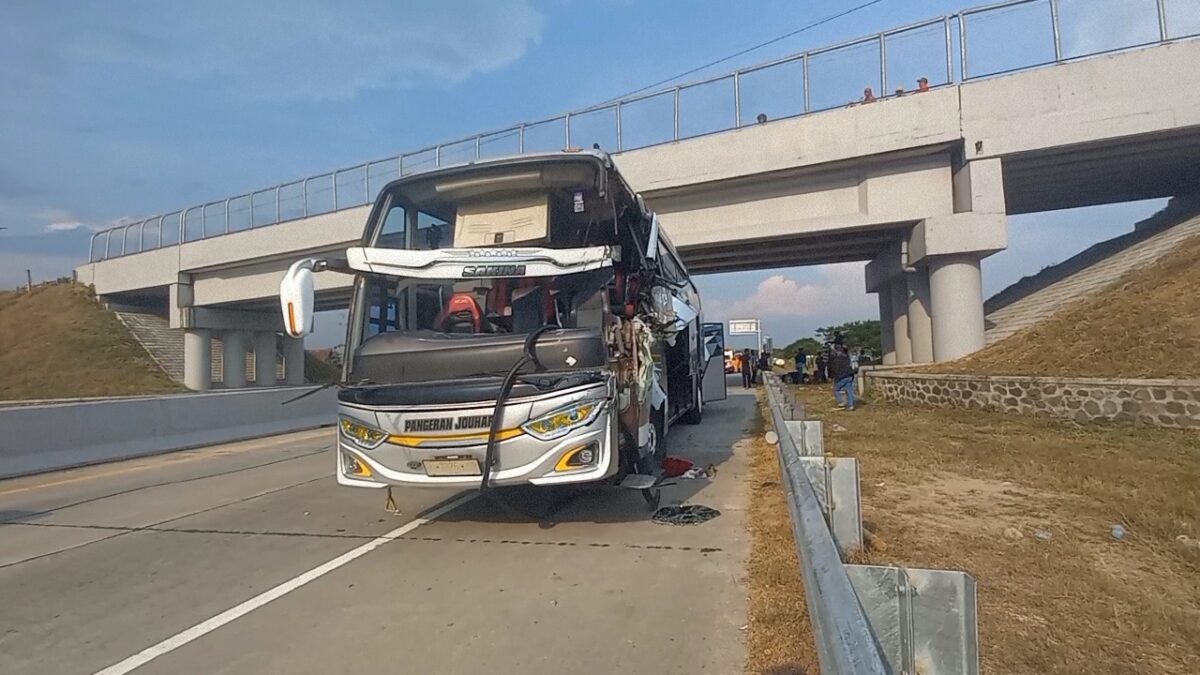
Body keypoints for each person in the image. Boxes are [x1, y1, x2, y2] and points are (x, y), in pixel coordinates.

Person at [830, 344, 856, 410]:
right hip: (850, 375)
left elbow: (835, 368)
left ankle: (842, 402)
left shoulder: (838, 358)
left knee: (837, 389)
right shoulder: (847, 357)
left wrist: (834, 377)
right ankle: (851, 405)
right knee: (849, 390)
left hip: (842, 376)